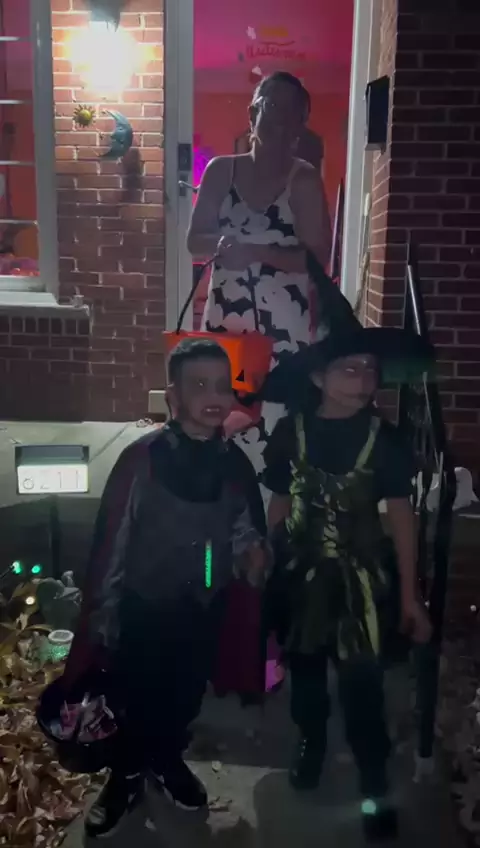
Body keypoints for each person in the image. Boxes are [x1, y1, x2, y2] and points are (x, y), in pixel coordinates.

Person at [63, 338, 267, 839]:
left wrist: (252, 554)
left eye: (222, 385)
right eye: (198, 385)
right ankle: (125, 775)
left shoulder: (234, 464)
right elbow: (114, 541)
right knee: (133, 696)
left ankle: (166, 759)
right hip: (143, 608)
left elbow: (243, 525)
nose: (214, 396)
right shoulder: (143, 461)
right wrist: (104, 618)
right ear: (172, 396)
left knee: (183, 693)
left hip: (202, 607)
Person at [262, 327, 433, 841]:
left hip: (362, 584)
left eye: (370, 370)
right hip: (302, 577)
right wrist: (268, 558)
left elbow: (401, 519)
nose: (363, 381)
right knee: (307, 674)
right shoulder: (291, 432)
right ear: (318, 377)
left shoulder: (386, 440)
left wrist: (409, 595)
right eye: (349, 369)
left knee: (362, 687)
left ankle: (374, 783)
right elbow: (280, 501)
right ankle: (311, 741)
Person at [187, 71, 332, 484]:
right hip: (227, 325)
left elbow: (318, 259)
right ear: (252, 114)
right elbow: (195, 241)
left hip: (284, 333)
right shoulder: (220, 171)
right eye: (273, 106)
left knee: (279, 427)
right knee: (221, 415)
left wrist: (255, 251)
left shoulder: (303, 179)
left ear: (302, 124)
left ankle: (275, 512)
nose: (282, 118)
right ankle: (224, 507)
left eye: (293, 111)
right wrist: (224, 243)